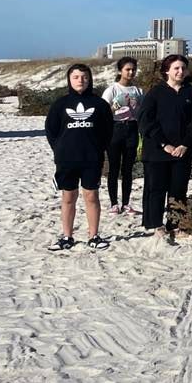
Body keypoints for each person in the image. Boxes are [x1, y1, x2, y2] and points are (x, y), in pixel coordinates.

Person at [44, 63, 113, 250]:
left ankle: (94, 236)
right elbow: (51, 130)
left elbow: (108, 131)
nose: (80, 81)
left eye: (84, 77)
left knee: (91, 196)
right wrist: (58, 149)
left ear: (89, 79)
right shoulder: (60, 104)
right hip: (66, 159)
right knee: (68, 197)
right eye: (76, 77)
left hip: (91, 158)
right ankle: (67, 236)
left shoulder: (99, 104)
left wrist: (99, 149)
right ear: (69, 79)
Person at [138, 55, 192, 242]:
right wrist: (164, 144)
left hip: (182, 151)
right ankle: (155, 224)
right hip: (157, 151)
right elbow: (145, 122)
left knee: (178, 190)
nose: (180, 71)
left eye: (183, 68)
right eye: (176, 68)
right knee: (156, 189)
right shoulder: (155, 93)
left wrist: (185, 143)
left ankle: (175, 224)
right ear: (167, 70)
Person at [100, 57, 143, 215]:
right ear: (120, 71)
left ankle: (126, 203)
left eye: (133, 69)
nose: (131, 72)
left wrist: (136, 110)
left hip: (132, 129)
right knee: (114, 168)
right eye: (127, 69)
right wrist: (115, 106)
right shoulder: (112, 89)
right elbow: (103, 113)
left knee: (128, 169)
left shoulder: (138, 91)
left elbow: (142, 112)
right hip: (115, 129)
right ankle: (113, 203)